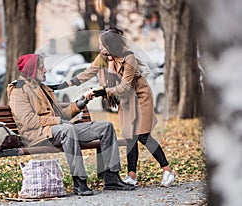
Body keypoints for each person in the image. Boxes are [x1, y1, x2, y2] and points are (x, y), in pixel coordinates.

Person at [57, 28, 176, 187]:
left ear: (111, 45)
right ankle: (132, 176)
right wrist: (62, 85)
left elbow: (126, 86)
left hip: (140, 98)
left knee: (143, 135)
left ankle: (168, 170)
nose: (100, 48)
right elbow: (87, 73)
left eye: (103, 45)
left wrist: (103, 91)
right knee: (129, 137)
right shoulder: (104, 58)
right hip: (125, 101)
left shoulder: (129, 59)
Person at [7, 53, 135, 196]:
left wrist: (82, 102)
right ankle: (79, 182)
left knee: (106, 127)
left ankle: (112, 177)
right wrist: (58, 121)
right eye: (42, 68)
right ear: (31, 70)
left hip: (59, 130)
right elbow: (28, 121)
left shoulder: (43, 88)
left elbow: (62, 115)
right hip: (38, 135)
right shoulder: (19, 91)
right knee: (67, 130)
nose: (45, 71)